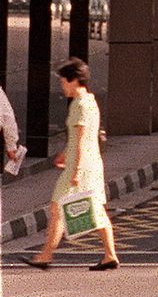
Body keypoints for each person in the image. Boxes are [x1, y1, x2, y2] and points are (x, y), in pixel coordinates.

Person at [27, 59, 120, 272]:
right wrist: (63, 154)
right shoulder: (90, 102)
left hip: (80, 166)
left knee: (57, 207)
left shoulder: (79, 105)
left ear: (74, 80)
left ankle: (46, 255)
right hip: (90, 163)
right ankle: (109, 255)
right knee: (96, 209)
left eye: (63, 82)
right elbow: (82, 139)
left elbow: (79, 141)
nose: (62, 86)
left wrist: (75, 171)